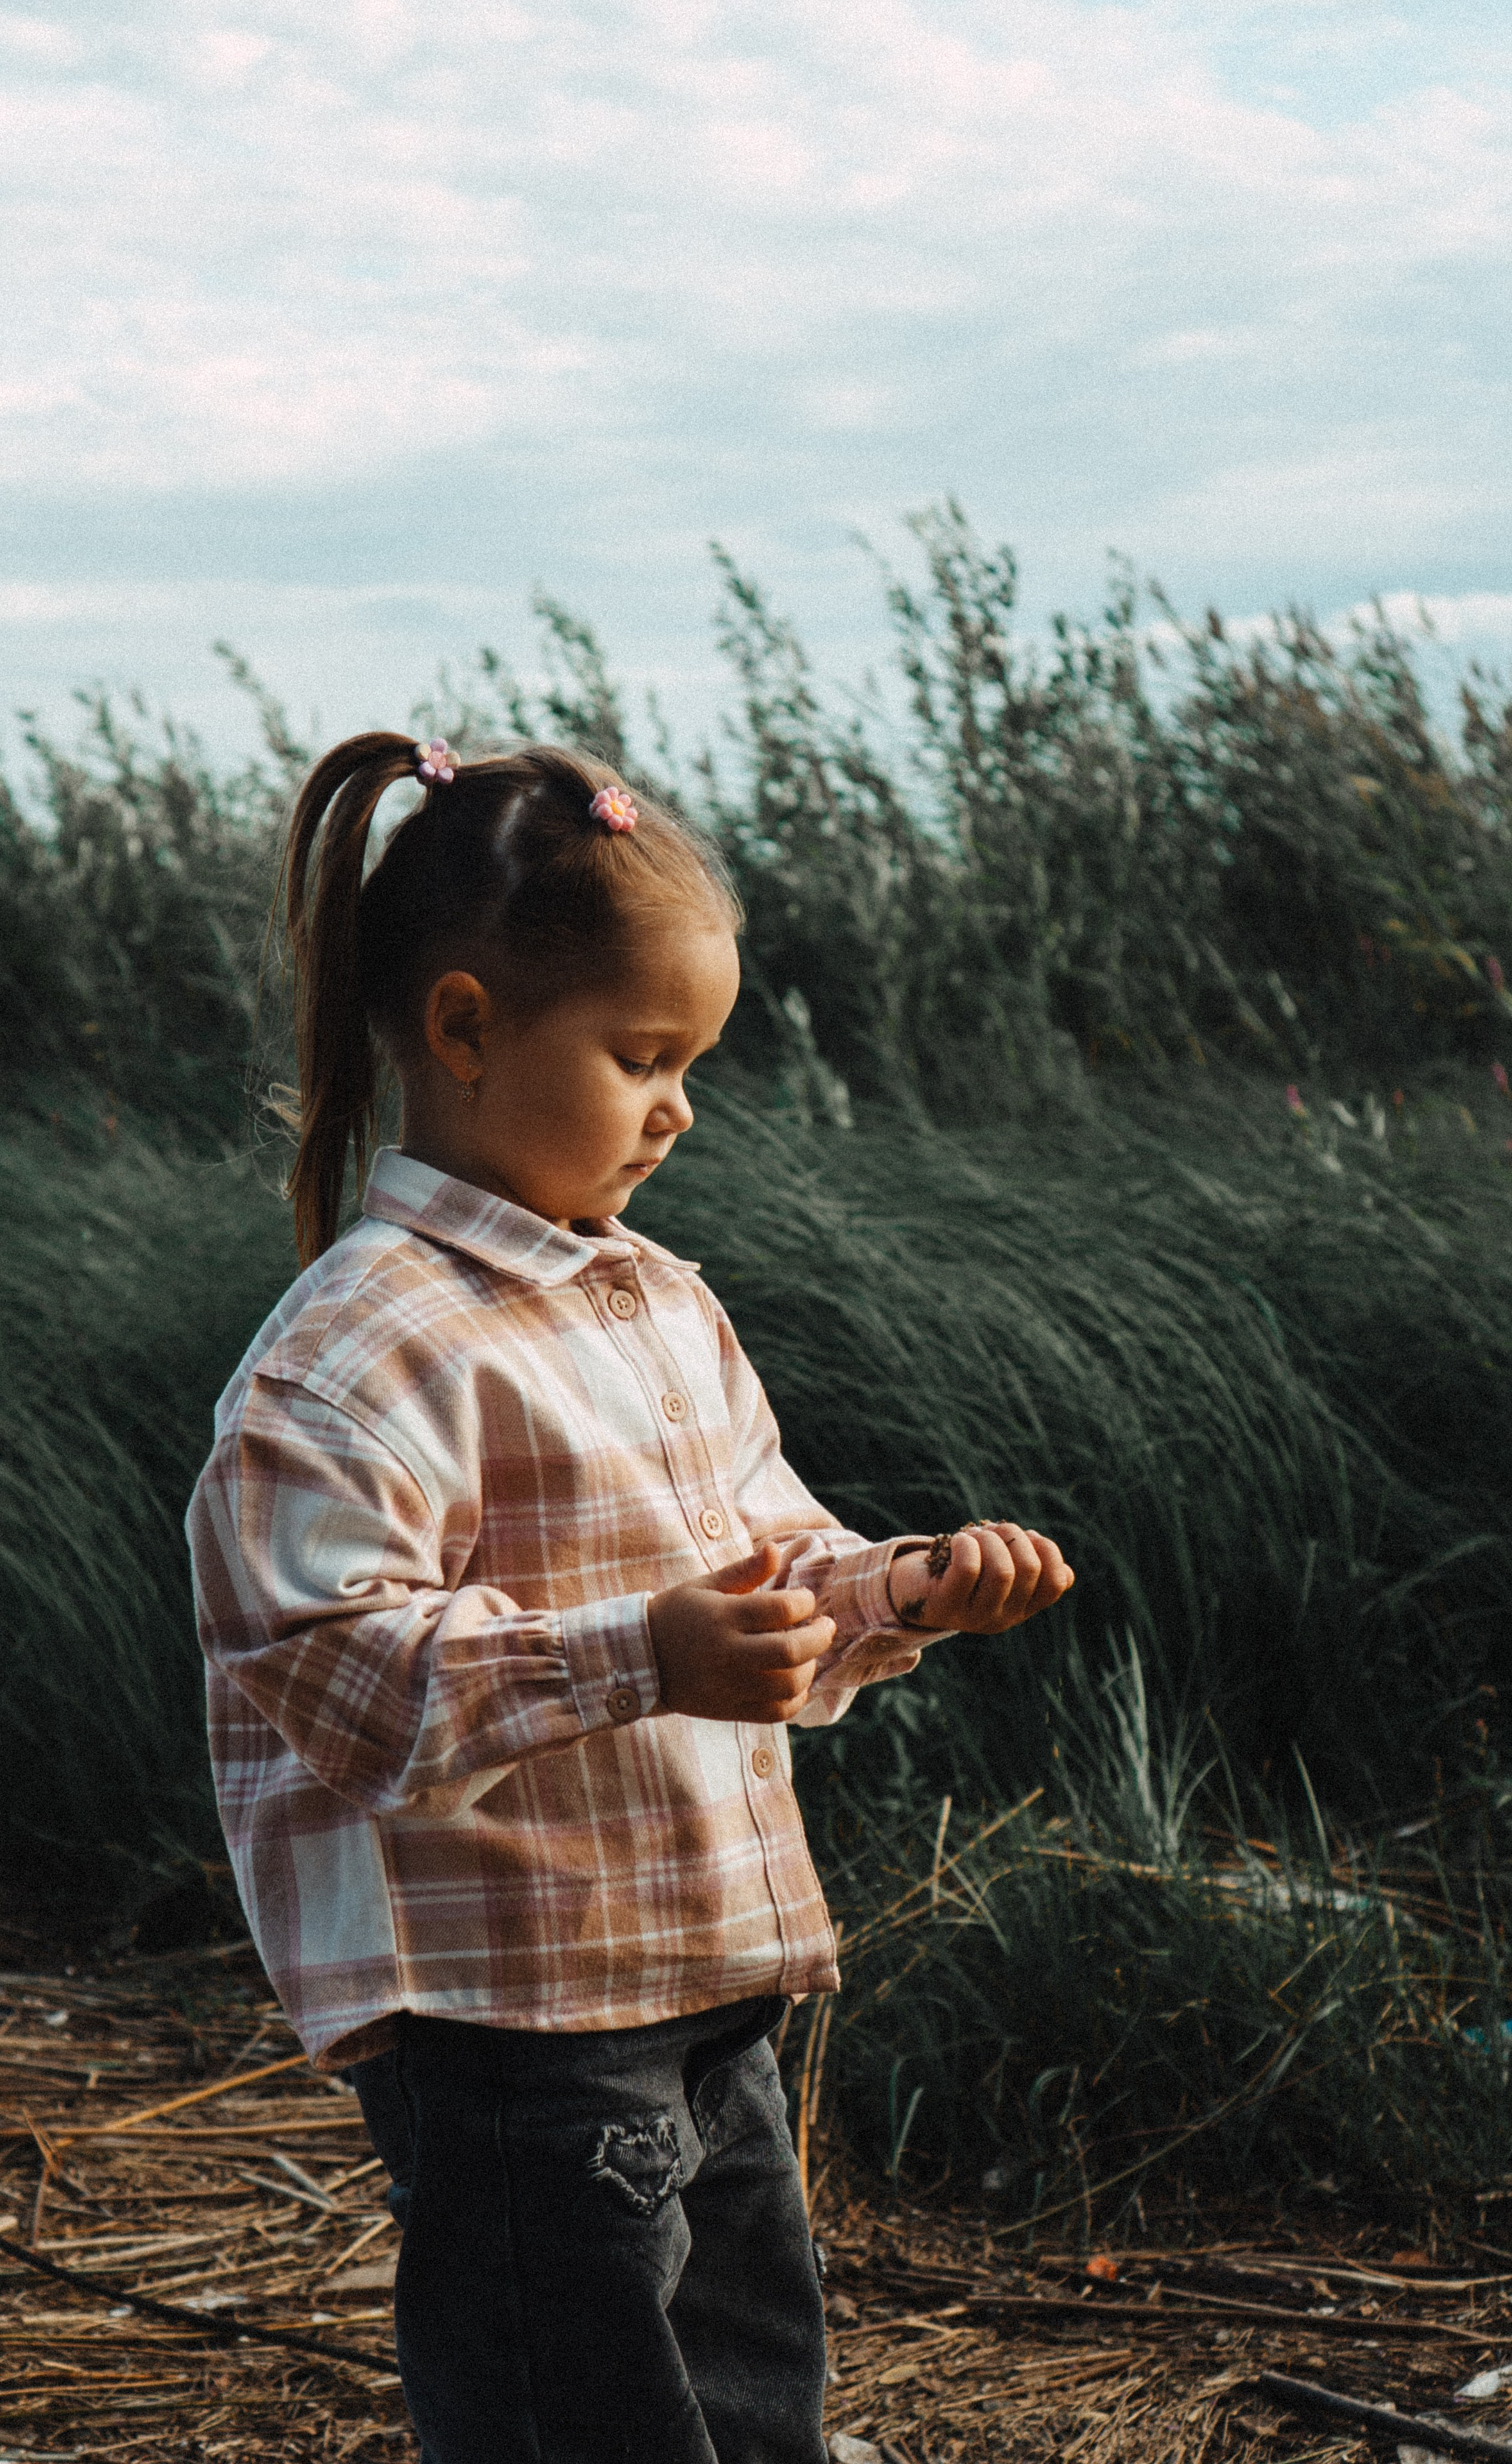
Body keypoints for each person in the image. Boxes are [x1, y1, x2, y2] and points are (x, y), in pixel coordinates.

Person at [186, 735, 1074, 2464]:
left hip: (703, 1960)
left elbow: (762, 1556)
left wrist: (897, 1588)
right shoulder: (353, 1362)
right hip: (512, 2014)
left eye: (692, 1064)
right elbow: (343, 1684)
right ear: (462, 1032)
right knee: (570, 2413)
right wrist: (645, 1653)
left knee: (750, 2394)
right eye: (640, 1057)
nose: (678, 1108)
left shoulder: (654, 1303)